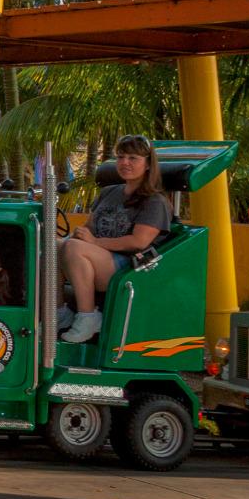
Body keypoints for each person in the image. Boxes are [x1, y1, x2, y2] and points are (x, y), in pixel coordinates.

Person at [58, 134, 172, 343]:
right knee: (53, 246)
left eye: (132, 158)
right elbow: (90, 227)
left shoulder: (155, 202)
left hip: (129, 267)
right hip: (98, 256)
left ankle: (88, 317)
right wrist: (79, 235)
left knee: (73, 248)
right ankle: (59, 312)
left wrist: (93, 242)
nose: (124, 163)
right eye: (120, 157)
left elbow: (139, 242)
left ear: (147, 164)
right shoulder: (109, 192)